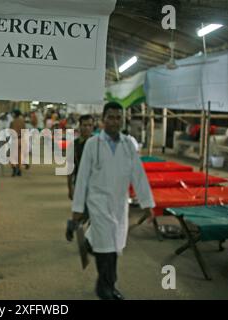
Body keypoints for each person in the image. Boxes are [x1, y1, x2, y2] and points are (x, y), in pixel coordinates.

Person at [69, 102, 155, 300]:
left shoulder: (128, 145)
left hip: (119, 205)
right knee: (106, 250)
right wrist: (77, 209)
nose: (115, 121)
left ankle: (107, 283)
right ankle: (105, 288)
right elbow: (82, 179)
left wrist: (147, 204)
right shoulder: (93, 145)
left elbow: (138, 175)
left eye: (119, 118)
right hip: (98, 205)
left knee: (114, 247)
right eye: (111, 117)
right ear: (103, 119)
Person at [9, 109, 26, 177]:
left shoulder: (13, 122)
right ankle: (19, 170)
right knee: (19, 156)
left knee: (12, 156)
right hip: (21, 139)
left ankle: (14, 169)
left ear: (15, 114)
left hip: (15, 140)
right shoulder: (22, 122)